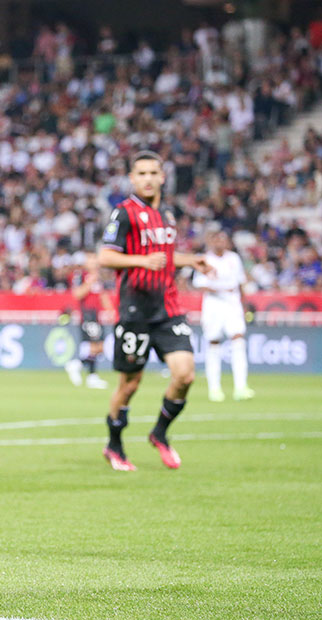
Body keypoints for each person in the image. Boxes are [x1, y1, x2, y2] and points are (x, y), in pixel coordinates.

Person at [97, 151, 213, 471]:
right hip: (134, 310)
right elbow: (105, 257)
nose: (148, 179)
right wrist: (140, 261)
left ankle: (159, 434)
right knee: (130, 385)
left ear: (163, 177)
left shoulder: (169, 215)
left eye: (153, 173)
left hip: (168, 308)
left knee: (185, 374)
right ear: (132, 179)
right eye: (141, 174)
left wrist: (191, 260)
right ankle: (114, 445)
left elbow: (164, 255)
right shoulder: (123, 213)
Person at [192, 230, 255, 402]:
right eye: (216, 239)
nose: (220, 242)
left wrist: (244, 304)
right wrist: (221, 289)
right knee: (213, 343)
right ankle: (215, 389)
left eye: (223, 239)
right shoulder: (205, 259)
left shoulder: (234, 258)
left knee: (238, 340)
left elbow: (240, 282)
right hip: (213, 305)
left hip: (233, 304)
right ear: (211, 241)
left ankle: (240, 387)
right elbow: (199, 284)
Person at [64, 253, 113, 389]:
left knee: (98, 347)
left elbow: (102, 295)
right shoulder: (81, 276)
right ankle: (77, 365)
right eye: (91, 259)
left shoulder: (98, 277)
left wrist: (109, 309)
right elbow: (77, 294)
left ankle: (91, 376)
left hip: (96, 315)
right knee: (97, 346)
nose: (94, 261)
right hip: (87, 314)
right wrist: (89, 282)